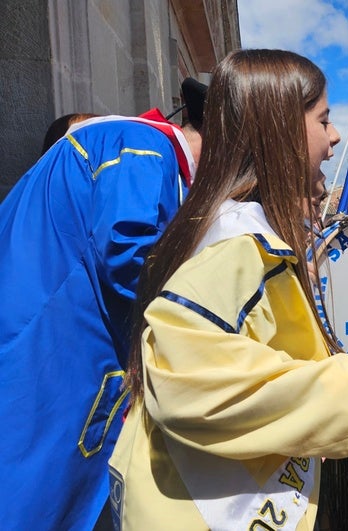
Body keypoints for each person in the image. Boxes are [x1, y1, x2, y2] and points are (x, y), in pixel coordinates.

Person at [108, 48, 348, 530]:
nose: (334, 136)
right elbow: (185, 379)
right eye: (323, 119)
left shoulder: (216, 226)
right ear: (282, 128)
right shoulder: (237, 244)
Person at [0, 78, 206, 530]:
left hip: (56, 365)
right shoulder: (142, 144)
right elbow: (127, 250)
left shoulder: (140, 148)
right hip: (43, 365)